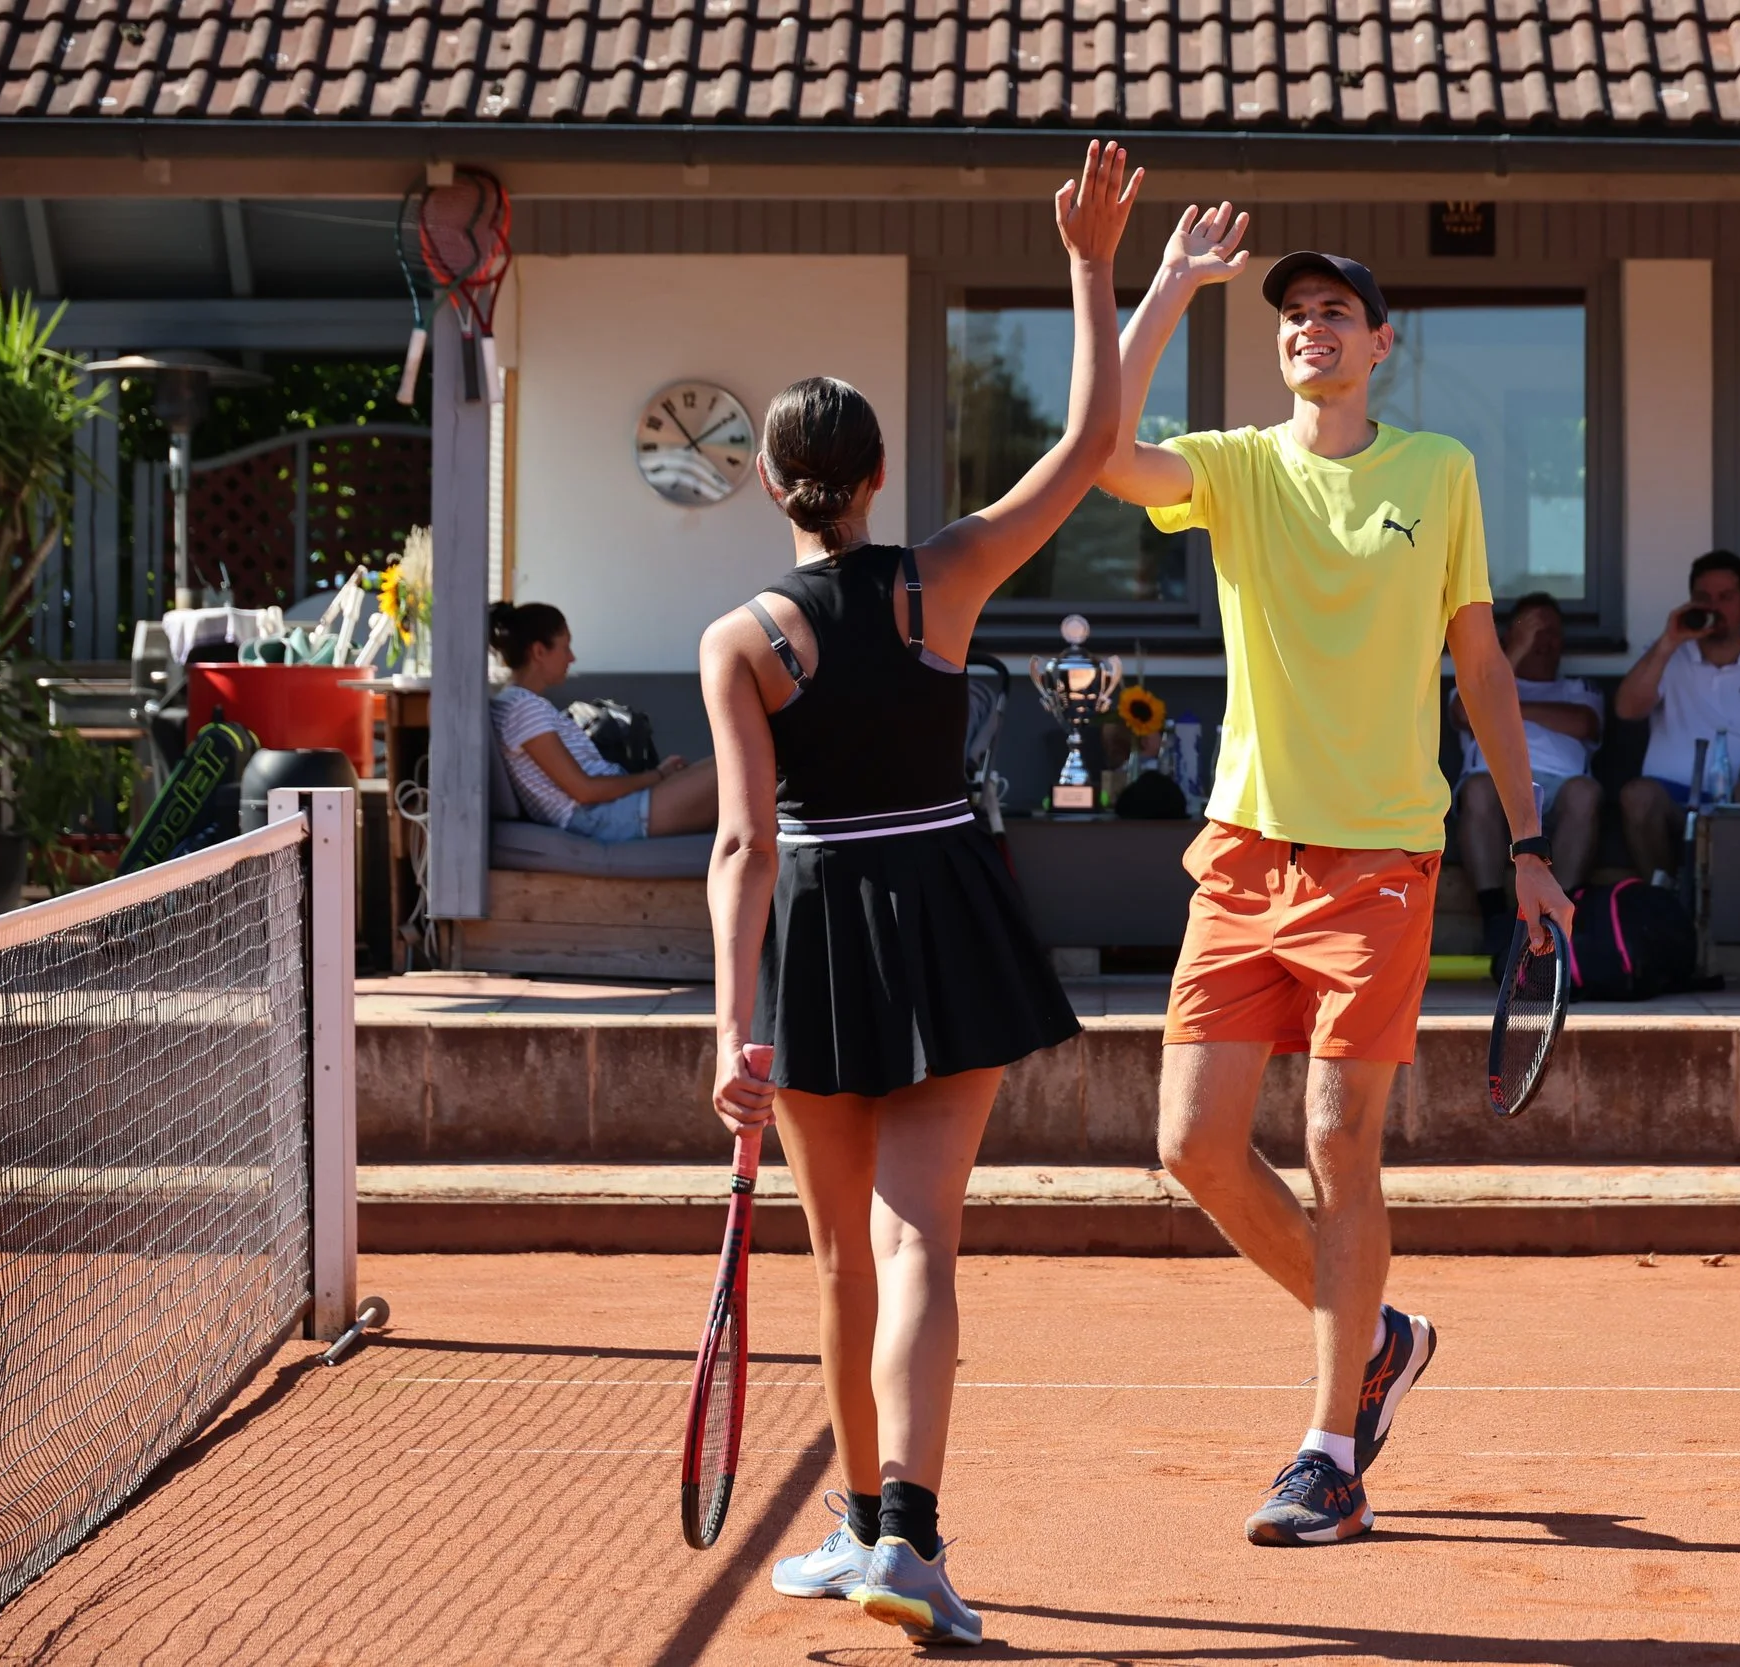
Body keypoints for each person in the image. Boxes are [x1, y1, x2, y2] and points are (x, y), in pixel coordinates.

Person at [702, 143, 1137, 1646]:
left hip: (821, 925)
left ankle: (868, 1522)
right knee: (918, 1248)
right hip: (945, 905)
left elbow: (743, 846)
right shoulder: (937, 579)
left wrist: (726, 1025)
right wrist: (1092, 263)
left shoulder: (739, 640)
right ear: (879, 475)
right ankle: (903, 1536)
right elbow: (1087, 444)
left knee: (839, 1261)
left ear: (772, 481)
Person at [1097, 218, 1573, 1546]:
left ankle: (1329, 1454)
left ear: (1380, 344)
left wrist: (1528, 846)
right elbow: (1101, 454)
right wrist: (1165, 292)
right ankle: (1380, 1336)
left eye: (1334, 312)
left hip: (1382, 860)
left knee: (1334, 1139)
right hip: (1245, 853)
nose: (1311, 326)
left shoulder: (1441, 468)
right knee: (1190, 1142)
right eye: (1291, 313)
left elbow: (1479, 663)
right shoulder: (1236, 469)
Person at [1612, 550, 1740, 882]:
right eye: (1703, 598)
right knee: (1636, 796)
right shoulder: (1667, 654)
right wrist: (1669, 641)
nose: (1714, 608)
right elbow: (1627, 710)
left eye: (1725, 598)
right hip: (1671, 796)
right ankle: (1663, 903)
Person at [1450, 591, 1604, 956]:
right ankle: (1492, 919)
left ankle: (1554, 922)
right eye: (1531, 629)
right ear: (1508, 637)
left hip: (1560, 787)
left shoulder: (1577, 688)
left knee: (1586, 793)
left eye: (1551, 630)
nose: (1542, 638)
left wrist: (1506, 707)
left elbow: (1583, 722)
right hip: (1494, 785)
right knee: (1477, 790)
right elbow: (1462, 713)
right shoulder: (1477, 682)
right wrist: (1509, 657)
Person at [488, 601, 717, 838]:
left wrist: (661, 775)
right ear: (539, 652)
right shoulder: (521, 708)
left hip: (615, 807)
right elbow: (584, 791)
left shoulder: (521, 704)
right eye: (565, 647)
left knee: (733, 764)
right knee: (737, 768)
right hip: (604, 817)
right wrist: (657, 776)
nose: (572, 658)